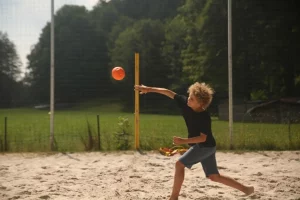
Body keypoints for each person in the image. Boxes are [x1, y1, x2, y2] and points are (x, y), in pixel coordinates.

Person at [134, 82, 254, 200]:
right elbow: (168, 92)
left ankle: (173, 198)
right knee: (214, 176)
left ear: (200, 104)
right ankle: (246, 189)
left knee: (179, 164)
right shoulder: (185, 103)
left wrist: (183, 141)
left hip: (205, 146)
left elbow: (203, 138)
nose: (188, 100)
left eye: (192, 99)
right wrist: (148, 89)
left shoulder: (204, 116)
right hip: (206, 146)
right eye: (189, 96)